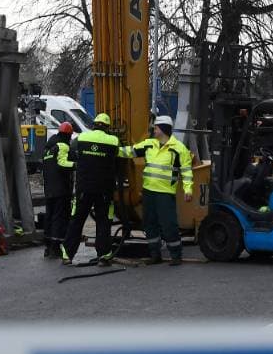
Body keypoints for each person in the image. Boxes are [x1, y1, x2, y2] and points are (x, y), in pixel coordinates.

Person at [127, 115, 194, 266]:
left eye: (155, 128)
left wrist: (188, 190)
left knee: (168, 224)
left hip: (165, 193)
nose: (153, 130)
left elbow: (187, 171)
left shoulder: (179, 149)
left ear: (163, 129)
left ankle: (176, 255)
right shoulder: (150, 144)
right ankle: (155, 254)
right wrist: (109, 150)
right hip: (149, 192)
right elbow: (129, 151)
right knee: (149, 223)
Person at [61, 112, 124, 266]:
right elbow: (120, 161)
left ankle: (68, 255)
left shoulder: (81, 138)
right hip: (104, 190)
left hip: (84, 188)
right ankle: (104, 255)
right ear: (108, 127)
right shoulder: (113, 141)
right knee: (103, 222)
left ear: (94, 124)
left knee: (76, 220)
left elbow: (71, 155)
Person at [41, 122, 76, 258]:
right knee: (59, 217)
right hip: (61, 189)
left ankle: (48, 245)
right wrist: (76, 165)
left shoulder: (48, 149)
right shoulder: (62, 146)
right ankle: (56, 246)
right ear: (68, 135)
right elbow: (62, 164)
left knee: (50, 216)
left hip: (49, 188)